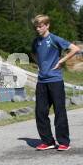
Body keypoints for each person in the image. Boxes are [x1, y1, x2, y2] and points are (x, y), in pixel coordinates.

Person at [31, 14, 80, 151]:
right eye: (36, 27)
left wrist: (61, 61)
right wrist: (40, 65)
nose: (38, 29)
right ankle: (48, 141)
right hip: (41, 81)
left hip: (55, 80)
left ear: (47, 25)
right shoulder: (36, 41)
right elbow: (34, 54)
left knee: (59, 111)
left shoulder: (54, 39)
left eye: (40, 26)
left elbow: (75, 49)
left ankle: (64, 142)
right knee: (40, 112)